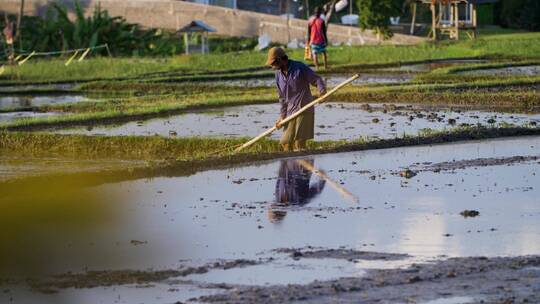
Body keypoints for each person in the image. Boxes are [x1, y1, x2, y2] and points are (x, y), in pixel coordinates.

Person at [266, 47, 326, 152]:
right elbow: (282, 99)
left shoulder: (299, 68)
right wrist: (282, 117)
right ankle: (291, 167)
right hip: (291, 112)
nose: (272, 66)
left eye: (273, 63)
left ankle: (303, 166)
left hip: (304, 109)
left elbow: (316, 79)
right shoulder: (278, 76)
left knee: (299, 144)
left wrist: (322, 92)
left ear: (280, 60)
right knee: (285, 143)